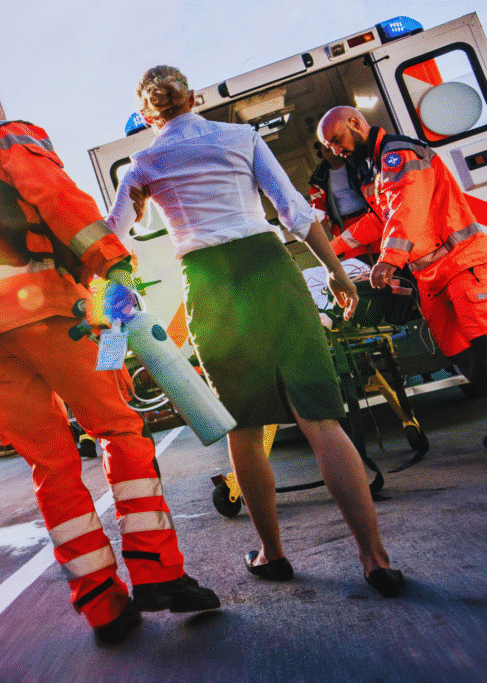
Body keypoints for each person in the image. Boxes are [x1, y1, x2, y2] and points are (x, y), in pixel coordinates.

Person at [0, 73, 220, 647]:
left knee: (50, 466)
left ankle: (101, 605)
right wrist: (113, 263)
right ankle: (158, 574)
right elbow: (57, 198)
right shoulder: (6, 134)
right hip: (40, 310)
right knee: (119, 429)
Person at [107, 66, 404, 597]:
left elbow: (112, 237)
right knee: (321, 419)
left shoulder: (144, 162)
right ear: (194, 96)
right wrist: (338, 274)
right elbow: (293, 210)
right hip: (269, 270)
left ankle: (273, 554)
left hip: (209, 284)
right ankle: (375, 559)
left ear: (147, 113)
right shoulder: (240, 138)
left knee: (243, 428)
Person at [318, 106, 487, 447]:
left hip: (461, 265)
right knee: (464, 354)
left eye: (336, 140)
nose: (335, 151)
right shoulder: (376, 168)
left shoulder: (397, 154)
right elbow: (380, 219)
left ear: (355, 123)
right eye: (330, 146)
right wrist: (330, 248)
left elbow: (406, 207)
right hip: (433, 279)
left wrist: (389, 260)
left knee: (484, 346)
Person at [308, 141, 383, 264]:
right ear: (321, 153)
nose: (330, 152)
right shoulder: (318, 178)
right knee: (357, 264)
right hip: (345, 224)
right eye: (326, 150)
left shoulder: (358, 164)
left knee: (382, 256)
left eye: (331, 148)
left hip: (370, 217)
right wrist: (321, 225)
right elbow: (317, 207)